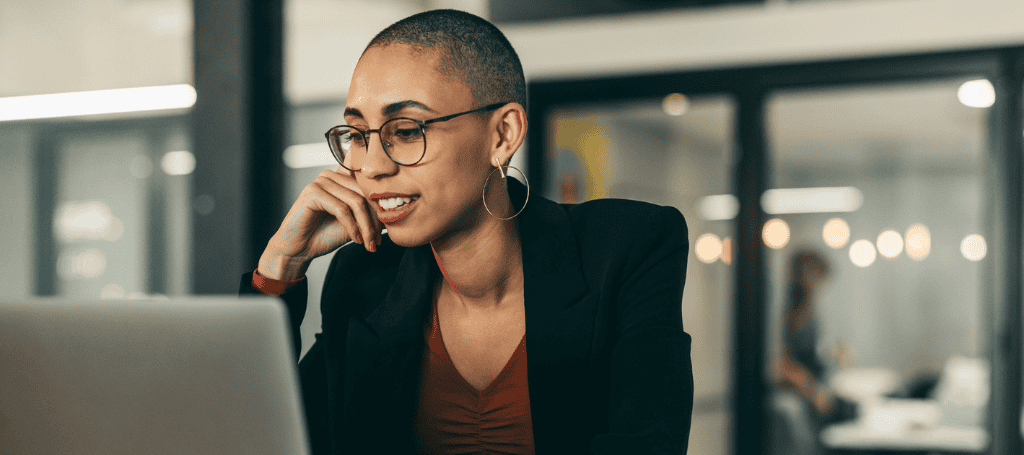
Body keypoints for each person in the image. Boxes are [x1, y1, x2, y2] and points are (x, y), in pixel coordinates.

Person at [240, 9, 693, 455]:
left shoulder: (626, 247)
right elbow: (252, 432)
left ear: (503, 135)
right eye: (358, 135)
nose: (372, 167)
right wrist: (282, 264)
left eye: (406, 130)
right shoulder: (365, 276)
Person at [773, 250, 855, 454]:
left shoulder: (807, 311)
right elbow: (781, 362)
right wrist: (814, 392)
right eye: (818, 277)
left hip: (809, 387)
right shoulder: (789, 310)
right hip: (798, 391)